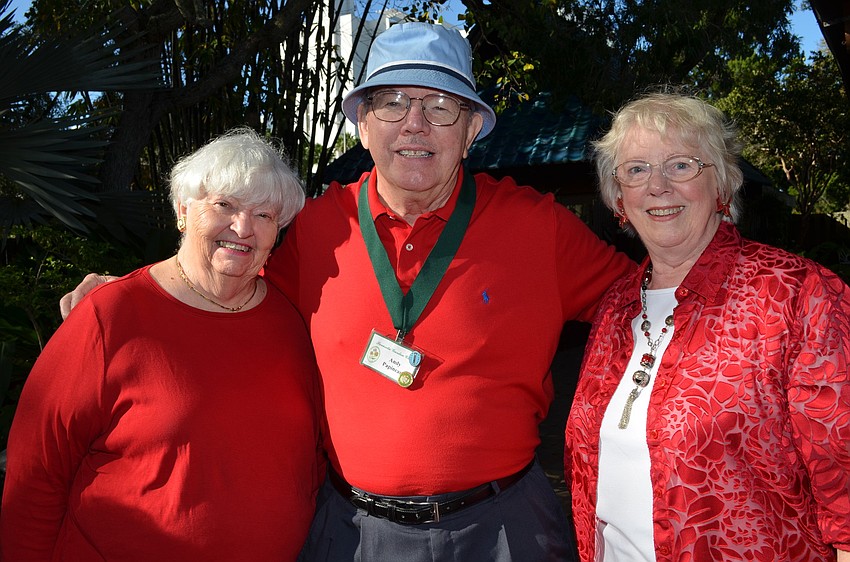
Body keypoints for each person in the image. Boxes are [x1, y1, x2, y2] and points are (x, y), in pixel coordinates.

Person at [59, 23, 634, 561]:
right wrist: (138, 298)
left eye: (440, 107)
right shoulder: (316, 227)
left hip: (504, 528)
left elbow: (650, 299)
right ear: (363, 125)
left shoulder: (538, 225)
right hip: (353, 531)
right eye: (392, 103)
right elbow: (226, 289)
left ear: (470, 132)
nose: (415, 123)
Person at [2, 129, 324, 561]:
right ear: (183, 211)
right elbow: (36, 475)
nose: (243, 227)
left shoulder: (293, 319)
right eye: (224, 205)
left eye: (264, 214)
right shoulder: (110, 315)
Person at [564, 92, 850, 562]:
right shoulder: (616, 307)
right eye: (636, 170)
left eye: (681, 165)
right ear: (618, 198)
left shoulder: (797, 294)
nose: (657, 186)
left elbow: (843, 481)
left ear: (722, 185)